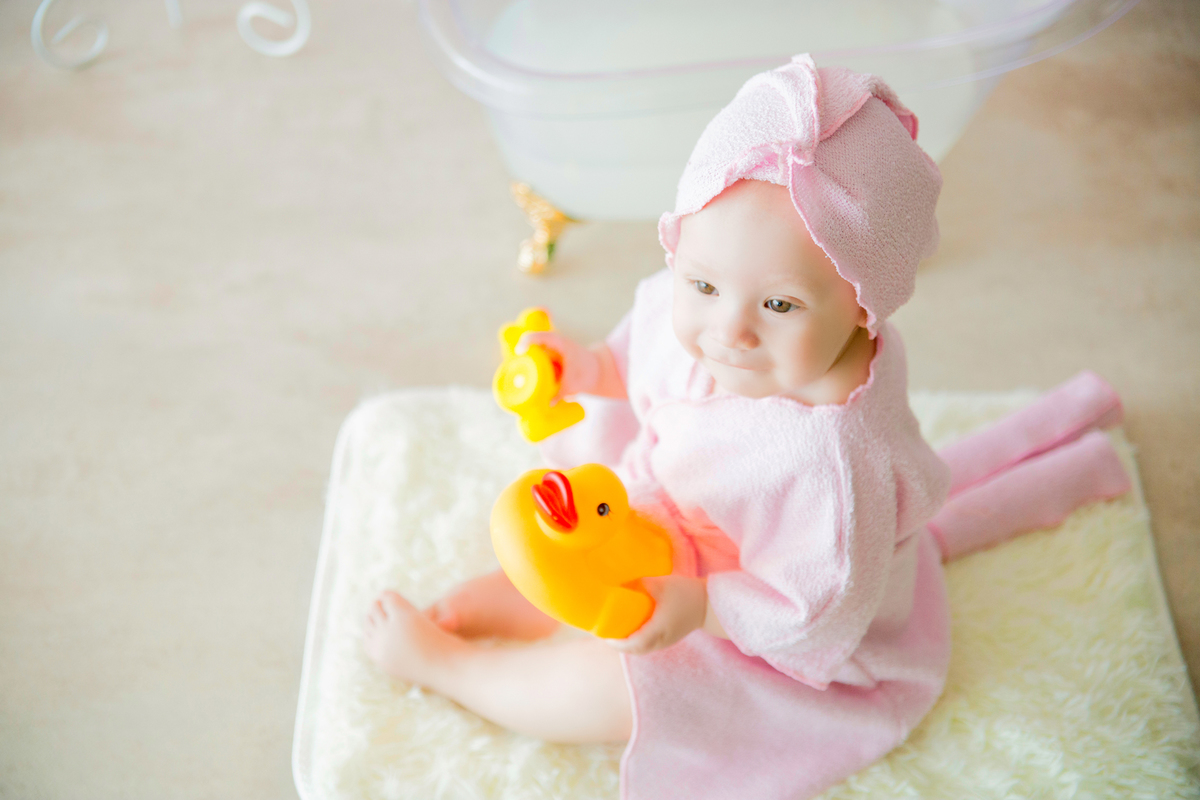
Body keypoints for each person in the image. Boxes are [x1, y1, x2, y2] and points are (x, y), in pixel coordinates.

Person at [363, 55, 1130, 799]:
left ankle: (452, 670)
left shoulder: (835, 467)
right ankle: (527, 598)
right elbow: (642, 360)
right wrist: (588, 367)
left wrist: (702, 608)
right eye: (699, 284)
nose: (728, 330)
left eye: (780, 305)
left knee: (614, 687)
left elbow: (812, 611)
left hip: (765, 624)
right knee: (576, 543)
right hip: (667, 524)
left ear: (865, 306)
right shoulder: (722, 283)